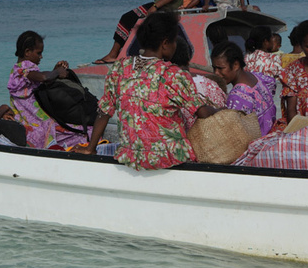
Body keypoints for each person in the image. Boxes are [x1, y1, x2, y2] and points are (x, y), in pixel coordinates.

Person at [77, 12, 221, 169]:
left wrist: (90, 149)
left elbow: (104, 111)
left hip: (130, 155)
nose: (175, 45)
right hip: (168, 157)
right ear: (165, 43)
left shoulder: (120, 68)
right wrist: (221, 110)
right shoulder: (173, 74)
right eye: (174, 41)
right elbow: (202, 113)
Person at [8, 30, 91, 150]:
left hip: (37, 118)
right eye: (39, 53)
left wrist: (54, 70)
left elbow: (40, 82)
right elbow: (43, 77)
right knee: (83, 132)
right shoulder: (22, 69)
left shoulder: (21, 70)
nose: (41, 57)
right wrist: (57, 72)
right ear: (27, 52)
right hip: (35, 121)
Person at [211, 41, 277, 135]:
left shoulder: (237, 96)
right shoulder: (257, 77)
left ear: (235, 65)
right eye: (214, 68)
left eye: (220, 68)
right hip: (272, 136)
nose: (216, 73)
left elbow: (235, 132)